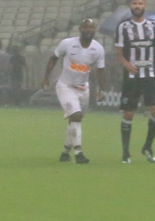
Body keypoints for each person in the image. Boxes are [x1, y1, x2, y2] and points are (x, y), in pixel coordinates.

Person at [42, 19, 107, 163]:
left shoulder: (98, 49)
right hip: (66, 86)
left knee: (75, 120)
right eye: (86, 28)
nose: (89, 30)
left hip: (83, 89)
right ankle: (79, 153)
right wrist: (46, 77)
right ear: (80, 29)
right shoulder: (67, 43)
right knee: (76, 115)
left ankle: (65, 152)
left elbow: (101, 71)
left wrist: (102, 90)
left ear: (95, 30)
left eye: (92, 28)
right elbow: (54, 58)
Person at [116, 0, 155, 164]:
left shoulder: (154, 26)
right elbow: (119, 52)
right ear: (130, 6)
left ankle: (148, 146)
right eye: (134, 3)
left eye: (140, 3)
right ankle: (125, 152)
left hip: (150, 75)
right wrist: (125, 63)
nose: (137, 6)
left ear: (145, 6)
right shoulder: (123, 27)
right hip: (132, 76)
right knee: (129, 114)